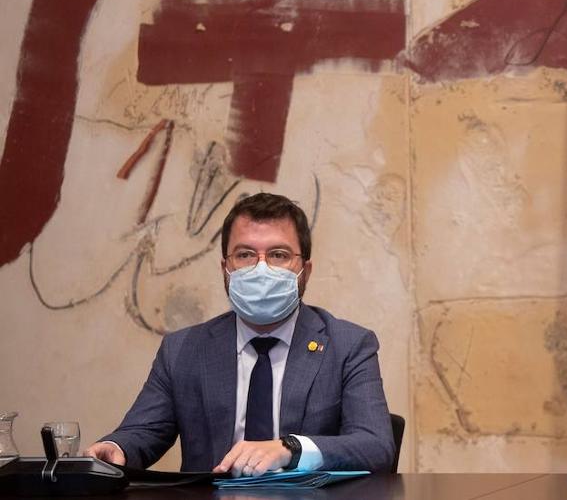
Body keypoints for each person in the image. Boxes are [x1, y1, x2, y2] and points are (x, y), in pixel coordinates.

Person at [85, 192, 395, 475]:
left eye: (278, 255)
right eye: (245, 255)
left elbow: (375, 445)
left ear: (306, 271)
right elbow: (144, 431)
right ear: (225, 268)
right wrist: (116, 448)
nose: (261, 269)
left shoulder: (348, 345)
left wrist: (290, 449)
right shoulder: (182, 350)